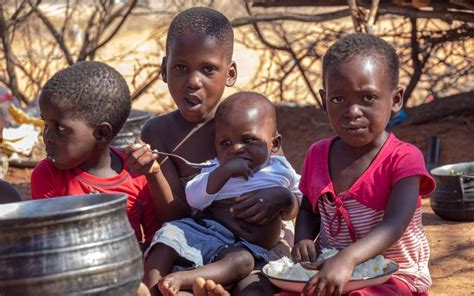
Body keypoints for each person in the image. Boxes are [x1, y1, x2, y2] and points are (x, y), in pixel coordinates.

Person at [124, 7, 299, 295]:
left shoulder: (246, 119)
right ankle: (153, 289)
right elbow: (175, 215)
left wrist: (280, 199)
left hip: (253, 246)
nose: (193, 81)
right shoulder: (158, 133)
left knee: (254, 285)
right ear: (163, 70)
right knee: (166, 242)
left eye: (208, 69)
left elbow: (285, 182)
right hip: (196, 239)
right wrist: (154, 172)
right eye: (181, 67)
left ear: (229, 73)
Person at [292, 33, 436, 295]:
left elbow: (395, 224)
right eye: (338, 99)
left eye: (368, 98)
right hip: (330, 272)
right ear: (324, 101)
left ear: (395, 99)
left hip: (392, 276)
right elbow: (308, 211)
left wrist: (347, 258)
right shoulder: (317, 154)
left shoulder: (403, 158)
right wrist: (302, 239)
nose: (352, 111)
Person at [143, 92, 301, 295]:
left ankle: (184, 279)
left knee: (242, 262)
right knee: (168, 237)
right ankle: (151, 288)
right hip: (208, 232)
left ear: (275, 144)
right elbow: (194, 198)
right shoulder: (215, 167)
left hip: (247, 248)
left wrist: (285, 198)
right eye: (225, 143)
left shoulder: (281, 169)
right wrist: (223, 173)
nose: (236, 148)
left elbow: (300, 202)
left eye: (248, 140)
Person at [30, 61, 160, 249]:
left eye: (60, 128)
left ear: (101, 134)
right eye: (46, 124)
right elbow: (50, 245)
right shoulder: (46, 175)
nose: (47, 136)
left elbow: (153, 240)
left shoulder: (137, 175)